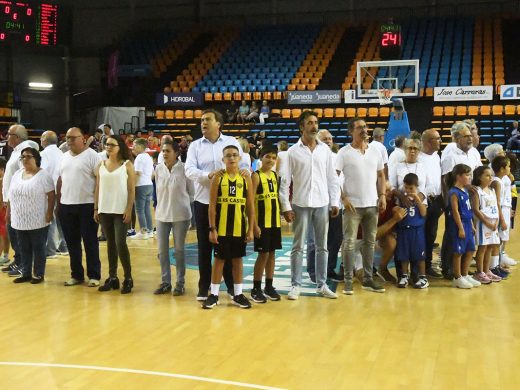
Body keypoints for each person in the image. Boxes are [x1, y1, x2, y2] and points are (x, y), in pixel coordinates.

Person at [185, 109, 246, 301]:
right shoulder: (195, 146)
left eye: (207, 120)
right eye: (202, 120)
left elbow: (243, 161)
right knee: (204, 246)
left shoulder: (231, 142)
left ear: (218, 123)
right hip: (203, 201)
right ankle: (204, 287)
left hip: (228, 202)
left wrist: (245, 172)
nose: (203, 123)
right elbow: (189, 170)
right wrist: (207, 176)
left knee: (226, 246)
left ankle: (229, 286)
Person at [279, 111, 340, 300]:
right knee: (298, 246)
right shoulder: (292, 152)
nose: (314, 126)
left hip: (322, 203)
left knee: (322, 246)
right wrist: (286, 207)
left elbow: (333, 178)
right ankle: (295, 285)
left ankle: (321, 285)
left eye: (316, 123)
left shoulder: (325, 151)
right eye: (310, 123)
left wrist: (335, 201)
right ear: (302, 127)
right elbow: (284, 182)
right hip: (300, 203)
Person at [336, 117, 387, 295]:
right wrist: (343, 198)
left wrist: (382, 195)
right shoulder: (343, 152)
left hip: (372, 204)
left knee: (370, 243)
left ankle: (367, 279)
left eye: (365, 126)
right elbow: (334, 177)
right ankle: (349, 280)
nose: (364, 130)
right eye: (360, 127)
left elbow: (381, 175)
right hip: (352, 207)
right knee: (349, 243)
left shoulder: (375, 151)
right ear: (351, 131)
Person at [203, 145, 255, 309]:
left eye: (234, 155)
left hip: (239, 227)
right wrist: (212, 228)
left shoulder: (246, 178)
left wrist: (251, 228)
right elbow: (212, 206)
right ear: (223, 159)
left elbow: (250, 206)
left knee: (237, 260)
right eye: (228, 156)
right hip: (221, 228)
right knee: (219, 260)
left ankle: (238, 294)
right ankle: (214, 294)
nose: (231, 158)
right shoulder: (218, 178)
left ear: (239, 158)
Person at [58, 127, 102, 287]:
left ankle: (94, 275)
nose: (69, 140)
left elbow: (99, 181)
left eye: (72, 137)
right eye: (67, 137)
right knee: (72, 243)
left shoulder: (92, 156)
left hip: (87, 205)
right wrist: (58, 203)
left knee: (90, 242)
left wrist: (97, 206)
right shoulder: (63, 157)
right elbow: (60, 180)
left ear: (83, 138)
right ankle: (76, 275)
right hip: (66, 205)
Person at [94, 135, 136, 294]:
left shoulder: (127, 165)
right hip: (105, 210)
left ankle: (128, 277)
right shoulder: (101, 164)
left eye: (112, 144)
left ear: (120, 147)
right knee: (110, 244)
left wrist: (128, 209)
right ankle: (112, 277)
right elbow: (98, 187)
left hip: (121, 210)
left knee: (120, 243)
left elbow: (132, 190)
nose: (108, 147)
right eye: (107, 144)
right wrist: (96, 208)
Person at [7, 147, 55, 284]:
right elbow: (11, 195)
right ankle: (26, 272)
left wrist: (49, 213)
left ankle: (38, 274)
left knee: (38, 248)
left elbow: (51, 196)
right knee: (23, 248)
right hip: (19, 219)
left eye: (28, 156)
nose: (25, 159)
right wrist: (9, 213)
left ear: (36, 159)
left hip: (38, 219)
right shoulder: (17, 174)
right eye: (23, 157)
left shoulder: (43, 175)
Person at [153, 139, 193, 296]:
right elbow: (157, 191)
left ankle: (180, 283)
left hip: (180, 215)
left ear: (176, 153)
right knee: (162, 251)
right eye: (163, 151)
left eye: (168, 151)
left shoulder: (184, 169)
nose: (164, 153)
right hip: (162, 215)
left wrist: (184, 206)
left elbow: (191, 192)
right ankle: (165, 282)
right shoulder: (158, 169)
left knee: (178, 250)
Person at [306, 129, 343, 283]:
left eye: (330, 138)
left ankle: (329, 269)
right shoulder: (312, 157)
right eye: (325, 139)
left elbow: (340, 182)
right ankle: (314, 271)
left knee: (336, 239)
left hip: (335, 205)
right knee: (315, 241)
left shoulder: (337, 158)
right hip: (317, 204)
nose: (328, 141)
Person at [1, 124, 35, 277]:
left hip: (18, 201)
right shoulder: (16, 151)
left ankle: (24, 264)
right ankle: (18, 260)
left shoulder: (24, 150)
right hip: (11, 200)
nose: (6, 136)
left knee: (18, 233)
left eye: (9, 134)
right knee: (12, 231)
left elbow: (26, 173)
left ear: (17, 137)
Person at [251, 146, 282, 303]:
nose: (270, 160)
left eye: (273, 157)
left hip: (274, 221)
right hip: (261, 223)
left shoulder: (275, 176)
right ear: (260, 158)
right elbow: (250, 202)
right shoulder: (255, 176)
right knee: (263, 254)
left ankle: (268, 286)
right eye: (267, 156)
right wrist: (253, 225)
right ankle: (256, 288)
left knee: (272, 254)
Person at [446, 164, 479, 289]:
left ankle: (465, 274)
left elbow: (468, 209)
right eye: (467, 175)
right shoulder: (453, 192)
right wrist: (460, 227)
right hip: (458, 224)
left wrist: (471, 225)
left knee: (470, 249)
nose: (470, 177)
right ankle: (457, 277)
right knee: (458, 252)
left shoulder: (465, 190)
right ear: (458, 176)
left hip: (467, 222)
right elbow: (455, 212)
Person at [395, 173, 429, 289]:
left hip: (417, 231)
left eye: (411, 188)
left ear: (416, 187)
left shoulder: (420, 198)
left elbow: (424, 213)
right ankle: (404, 275)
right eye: (406, 187)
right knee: (404, 254)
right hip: (404, 230)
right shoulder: (401, 198)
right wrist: (396, 209)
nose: (408, 190)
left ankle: (423, 277)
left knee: (419, 255)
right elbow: (395, 209)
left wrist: (418, 200)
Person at [419, 129, 443, 278]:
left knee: (431, 235)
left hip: (436, 200)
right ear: (428, 141)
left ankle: (427, 266)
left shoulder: (436, 156)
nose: (440, 141)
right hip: (423, 201)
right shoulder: (419, 158)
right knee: (419, 235)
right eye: (437, 139)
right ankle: (417, 267)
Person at [470, 166, 501, 284]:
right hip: (483, 224)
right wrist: (487, 222)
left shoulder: (492, 191)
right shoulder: (477, 191)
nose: (490, 177)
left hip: (493, 223)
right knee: (482, 248)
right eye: (487, 175)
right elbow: (476, 210)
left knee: (490, 247)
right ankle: (479, 272)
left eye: (491, 175)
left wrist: (497, 221)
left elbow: (495, 207)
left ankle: (487, 270)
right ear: (479, 177)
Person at [40, 131, 68, 259]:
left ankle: (50, 249)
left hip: (49, 190)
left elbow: (42, 172)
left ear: (45, 139)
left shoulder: (44, 154)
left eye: (41, 138)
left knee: (49, 218)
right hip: (62, 190)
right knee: (61, 219)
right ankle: (64, 246)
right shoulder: (61, 153)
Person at [490, 155, 516, 272]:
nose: (510, 168)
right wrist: (502, 219)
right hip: (500, 213)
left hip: (504, 210)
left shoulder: (501, 180)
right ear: (501, 168)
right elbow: (497, 203)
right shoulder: (497, 182)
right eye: (508, 166)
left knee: (500, 240)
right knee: (498, 240)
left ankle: (497, 264)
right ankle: (494, 266)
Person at [132, 138, 154, 239]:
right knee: (146, 209)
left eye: (135, 145)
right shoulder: (148, 157)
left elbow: (138, 173)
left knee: (139, 210)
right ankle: (149, 231)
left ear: (140, 146)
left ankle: (143, 231)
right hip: (149, 184)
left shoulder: (139, 157)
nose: (133, 147)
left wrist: (132, 187)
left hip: (141, 185)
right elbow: (152, 173)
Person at [0, 159, 9, 265]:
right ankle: (5, 255)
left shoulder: (3, 180)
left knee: (3, 234)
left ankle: (5, 255)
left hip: (3, 210)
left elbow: (2, 199)